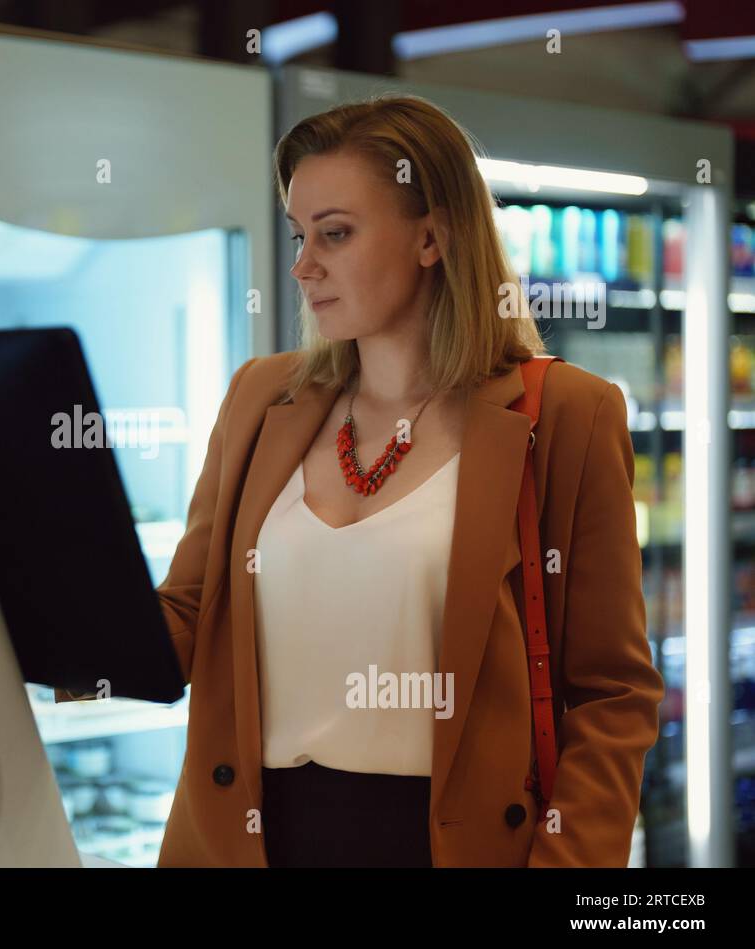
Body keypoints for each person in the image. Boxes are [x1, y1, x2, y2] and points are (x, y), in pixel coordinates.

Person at [61, 94, 663, 867]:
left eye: (335, 234)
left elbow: (613, 695)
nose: (302, 264)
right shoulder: (260, 397)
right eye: (298, 235)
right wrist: (48, 629)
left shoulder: (566, 415)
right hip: (251, 838)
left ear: (433, 237)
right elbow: (188, 616)